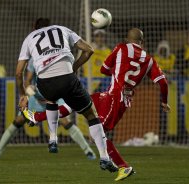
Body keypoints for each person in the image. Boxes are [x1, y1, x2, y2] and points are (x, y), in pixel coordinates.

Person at [23, 28, 171, 181]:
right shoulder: (150, 59)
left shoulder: (120, 48)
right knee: (74, 103)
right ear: (143, 42)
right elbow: (163, 82)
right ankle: (36, 116)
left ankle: (124, 166)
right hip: (115, 97)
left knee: (98, 135)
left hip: (115, 96)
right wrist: (164, 102)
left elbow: (104, 69)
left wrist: (117, 70)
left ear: (127, 39)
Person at [16, 18, 117, 172]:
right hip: (67, 78)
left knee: (51, 98)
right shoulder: (62, 28)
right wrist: (74, 67)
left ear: (34, 28)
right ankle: (104, 158)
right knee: (91, 115)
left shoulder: (30, 38)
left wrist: (23, 95)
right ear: (50, 26)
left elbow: (18, 73)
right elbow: (89, 50)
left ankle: (53, 139)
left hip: (44, 83)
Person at [0, 59, 96, 160]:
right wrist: (30, 94)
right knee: (19, 120)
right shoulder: (34, 60)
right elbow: (28, 81)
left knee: (65, 121)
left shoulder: (58, 57)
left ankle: (88, 151)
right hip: (38, 96)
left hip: (56, 95)